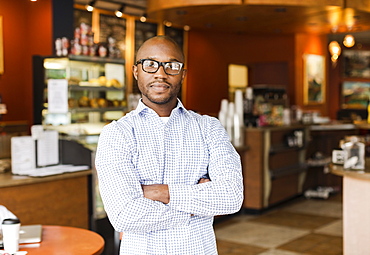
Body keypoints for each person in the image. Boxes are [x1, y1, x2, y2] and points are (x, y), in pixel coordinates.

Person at [95, 35, 243, 255]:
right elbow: (124, 215)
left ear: (182, 74)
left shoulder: (208, 128)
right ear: (136, 71)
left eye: (171, 66)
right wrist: (196, 209)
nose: (160, 74)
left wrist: (161, 192)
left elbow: (231, 196)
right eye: (150, 64)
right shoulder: (116, 134)